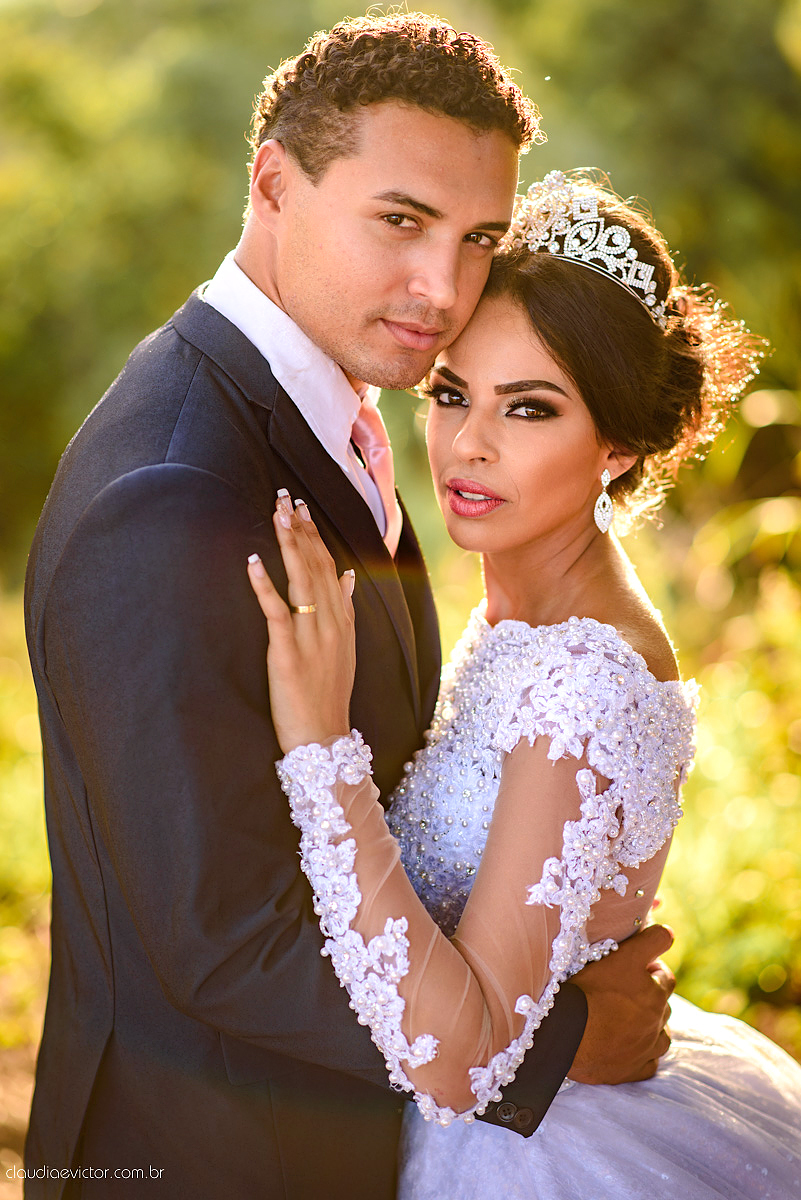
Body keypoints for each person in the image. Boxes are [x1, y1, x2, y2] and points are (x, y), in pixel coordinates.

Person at [23, 16, 675, 1200]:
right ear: (273, 182)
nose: (445, 287)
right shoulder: (172, 490)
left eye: (477, 236)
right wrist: (554, 1048)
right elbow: (221, 938)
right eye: (400, 220)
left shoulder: (332, 410)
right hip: (210, 1157)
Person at [247, 170, 801, 1198]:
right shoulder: (517, 612)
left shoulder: (584, 677)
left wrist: (322, 745)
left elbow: (467, 1060)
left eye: (530, 409)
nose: (469, 443)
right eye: (453, 393)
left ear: (619, 446)